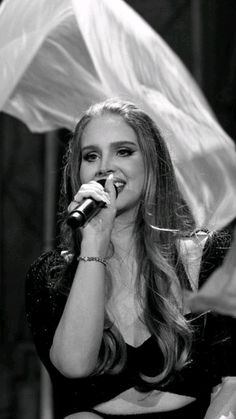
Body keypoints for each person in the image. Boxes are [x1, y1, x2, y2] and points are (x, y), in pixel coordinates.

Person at [25, 99, 236, 419]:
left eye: (123, 151)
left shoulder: (206, 257)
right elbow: (74, 365)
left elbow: (231, 382)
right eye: (91, 156)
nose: (104, 167)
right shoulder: (52, 276)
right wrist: (93, 243)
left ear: (151, 163)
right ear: (79, 172)